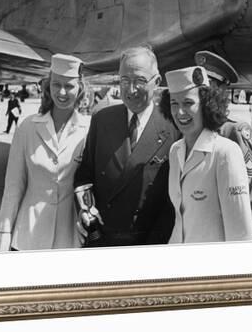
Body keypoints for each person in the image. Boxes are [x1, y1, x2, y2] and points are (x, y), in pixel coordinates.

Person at [74, 45, 179, 247]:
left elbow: (173, 200)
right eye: (124, 81)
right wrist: (84, 210)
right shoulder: (102, 119)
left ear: (156, 82)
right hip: (102, 239)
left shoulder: (172, 126)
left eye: (139, 81)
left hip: (148, 242)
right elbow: (84, 174)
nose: (130, 90)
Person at [0, 54, 89, 251]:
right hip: (28, 235)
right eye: (56, 84)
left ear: (80, 89)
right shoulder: (27, 127)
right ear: (48, 86)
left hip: (70, 237)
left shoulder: (89, 129)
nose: (62, 92)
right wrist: (3, 233)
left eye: (69, 86)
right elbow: (13, 186)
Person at [164, 66, 252, 243]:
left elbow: (241, 235)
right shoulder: (175, 151)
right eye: (174, 103)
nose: (180, 112)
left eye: (188, 103)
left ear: (206, 105)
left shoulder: (225, 153)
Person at [194, 50, 252, 239]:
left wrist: (251, 240)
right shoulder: (189, 131)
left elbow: (249, 194)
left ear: (221, 92)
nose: (202, 96)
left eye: (208, 89)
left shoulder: (234, 132)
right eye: (199, 90)